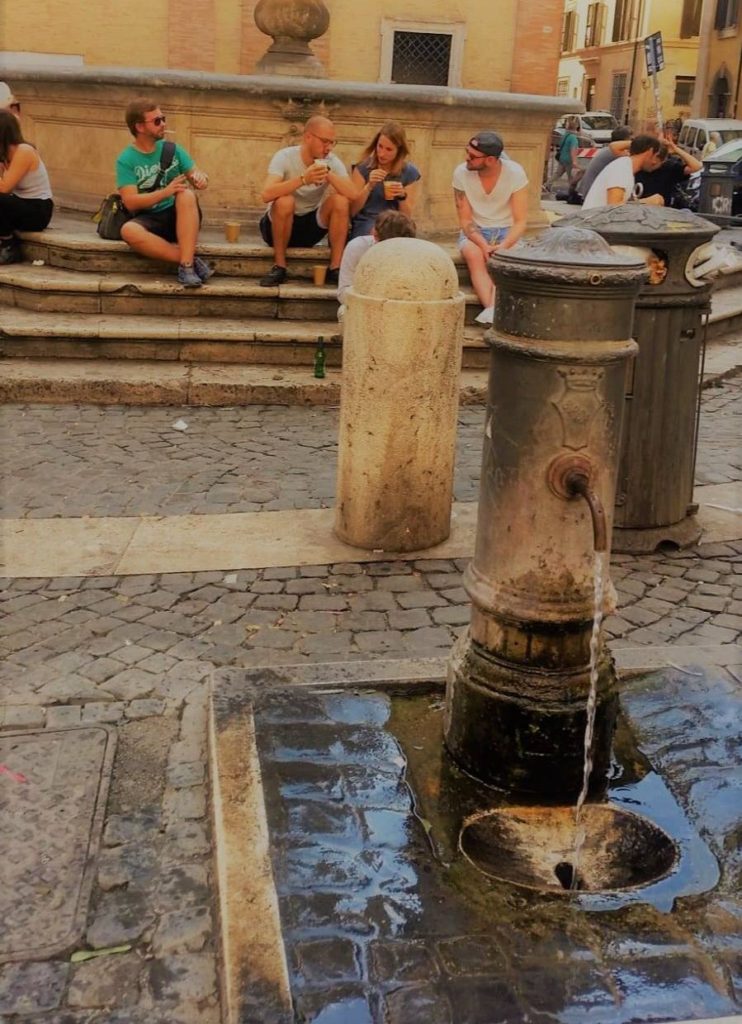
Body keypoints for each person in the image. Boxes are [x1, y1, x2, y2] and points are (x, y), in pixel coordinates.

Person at [116, 98, 211, 288]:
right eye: (157, 121)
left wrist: (201, 179)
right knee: (128, 230)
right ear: (140, 127)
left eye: (163, 119)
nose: (163, 124)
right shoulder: (126, 159)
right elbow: (130, 202)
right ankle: (189, 259)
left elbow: (198, 176)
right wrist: (165, 192)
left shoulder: (173, 149)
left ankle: (186, 267)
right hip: (150, 218)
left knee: (186, 195)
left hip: (181, 215)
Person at [259, 115, 357, 287]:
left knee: (340, 201)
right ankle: (279, 266)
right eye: (324, 141)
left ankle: (335, 268)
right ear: (308, 137)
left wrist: (328, 173)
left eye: (332, 142)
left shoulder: (331, 161)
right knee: (285, 201)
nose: (328, 148)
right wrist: (303, 179)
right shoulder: (285, 156)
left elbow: (353, 194)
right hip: (276, 225)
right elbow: (266, 194)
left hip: (309, 227)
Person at [452, 131, 528, 325]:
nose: (467, 158)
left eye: (473, 156)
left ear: (491, 160)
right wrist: (483, 244)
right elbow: (465, 221)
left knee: (506, 259)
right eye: (467, 152)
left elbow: (520, 221)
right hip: (476, 230)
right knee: (474, 255)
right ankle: (493, 311)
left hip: (507, 230)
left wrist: (504, 245)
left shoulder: (515, 173)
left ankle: (492, 313)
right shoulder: (461, 173)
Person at [337, 209, 416, 319]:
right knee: (344, 312)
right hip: (365, 303)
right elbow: (343, 293)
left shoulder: (414, 252)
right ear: (375, 234)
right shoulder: (358, 247)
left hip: (400, 306)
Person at [348, 121, 421, 240]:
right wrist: (369, 187)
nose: (382, 154)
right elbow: (352, 211)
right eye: (380, 146)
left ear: (399, 151)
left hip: (395, 224)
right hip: (368, 221)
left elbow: (407, 217)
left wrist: (402, 197)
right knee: (375, 236)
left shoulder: (409, 172)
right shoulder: (363, 168)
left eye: (389, 149)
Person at [0, 109, 53, 265]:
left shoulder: (24, 151)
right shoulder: (4, 153)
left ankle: (9, 245)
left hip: (37, 209)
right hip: (19, 204)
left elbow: (4, 188)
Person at [582, 135, 663, 209]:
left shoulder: (625, 166)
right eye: (656, 156)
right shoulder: (622, 168)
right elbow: (613, 207)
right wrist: (646, 202)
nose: (655, 162)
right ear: (650, 151)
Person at [634, 135, 702, 207]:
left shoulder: (669, 168)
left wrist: (676, 150)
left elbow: (696, 166)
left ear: (663, 161)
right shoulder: (637, 167)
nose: (652, 163)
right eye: (650, 160)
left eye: (654, 164)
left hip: (661, 210)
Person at [576, 126, 633, 202]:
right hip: (593, 195)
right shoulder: (616, 152)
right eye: (631, 139)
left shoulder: (607, 150)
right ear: (625, 141)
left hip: (588, 192)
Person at [547, 116, 580, 192]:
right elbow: (573, 149)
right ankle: (572, 190)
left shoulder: (565, 136)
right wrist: (574, 161)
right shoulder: (573, 138)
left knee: (558, 173)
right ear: (576, 128)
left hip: (562, 158)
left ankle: (547, 185)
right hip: (569, 159)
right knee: (571, 176)